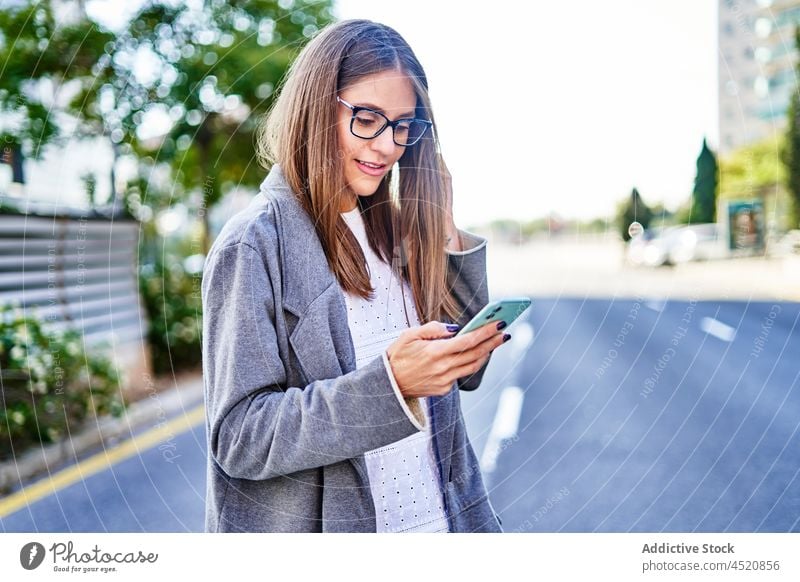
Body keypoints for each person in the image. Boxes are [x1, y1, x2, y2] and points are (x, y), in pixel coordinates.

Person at [201, 19, 511, 533]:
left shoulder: (393, 232)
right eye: (367, 118)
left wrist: (444, 224)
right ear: (317, 108)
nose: (388, 146)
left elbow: (466, 375)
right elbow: (240, 437)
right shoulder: (253, 244)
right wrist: (390, 387)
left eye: (403, 125)